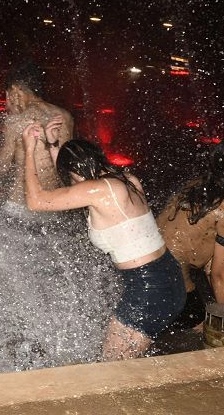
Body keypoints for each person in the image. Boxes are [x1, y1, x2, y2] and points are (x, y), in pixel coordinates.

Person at [21, 119, 185, 360]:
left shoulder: (100, 190)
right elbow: (78, 180)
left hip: (148, 287)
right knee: (126, 364)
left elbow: (36, 201)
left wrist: (29, 150)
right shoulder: (127, 180)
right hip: (169, 278)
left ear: (73, 173)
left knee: (112, 370)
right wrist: (54, 144)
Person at [158, 135, 224, 328]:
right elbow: (219, 276)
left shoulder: (196, 186)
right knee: (201, 333)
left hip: (145, 264)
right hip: (170, 281)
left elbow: (209, 263)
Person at [0, 61, 74, 206]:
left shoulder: (16, 121)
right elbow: (67, 167)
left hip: (22, 204)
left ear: (14, 89)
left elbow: (1, 167)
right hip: (53, 204)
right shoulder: (65, 116)